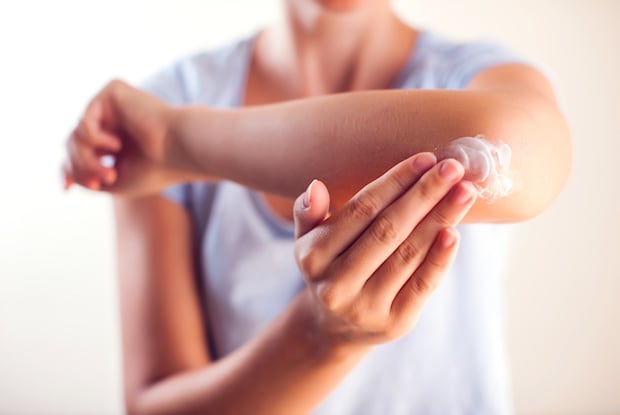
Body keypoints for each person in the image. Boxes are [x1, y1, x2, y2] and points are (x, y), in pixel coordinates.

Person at [63, 0, 571, 413]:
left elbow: (511, 149)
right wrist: (323, 339)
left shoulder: (477, 74)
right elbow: (158, 403)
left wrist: (180, 142)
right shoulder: (170, 99)